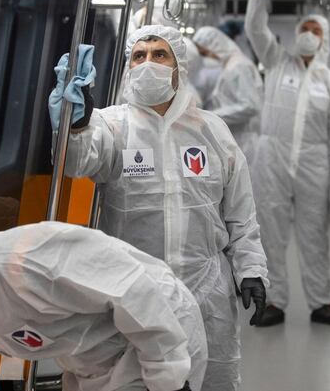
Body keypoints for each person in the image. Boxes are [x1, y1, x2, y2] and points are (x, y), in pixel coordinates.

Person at [53, 24, 269, 391]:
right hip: (136, 292)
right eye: (139, 56)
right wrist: (73, 128)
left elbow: (240, 213)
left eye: (159, 54)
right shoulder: (111, 125)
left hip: (206, 291)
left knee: (213, 379)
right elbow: (78, 162)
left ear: (178, 67)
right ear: (128, 66)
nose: (148, 63)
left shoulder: (212, 131)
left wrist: (251, 268)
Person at [0, 222, 207, 391]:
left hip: (156, 333)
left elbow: (133, 292)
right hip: (96, 358)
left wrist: (169, 377)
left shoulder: (21, 263)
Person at [243, 0, 330, 327]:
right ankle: (275, 301)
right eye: (304, 28)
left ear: (326, 38)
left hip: (314, 164)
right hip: (272, 158)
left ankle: (321, 303)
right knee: (271, 233)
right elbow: (255, 29)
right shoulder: (277, 60)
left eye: (315, 30)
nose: (308, 34)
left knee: (314, 235)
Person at [193, 26, 263, 164]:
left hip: (244, 140)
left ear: (215, 45)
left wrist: (212, 116)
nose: (206, 58)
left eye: (206, 53)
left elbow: (250, 105)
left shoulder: (238, 67)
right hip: (236, 138)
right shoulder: (230, 65)